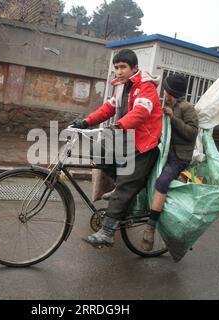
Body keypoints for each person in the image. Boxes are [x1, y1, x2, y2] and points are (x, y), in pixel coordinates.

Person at [71, 49, 163, 248]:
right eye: (116, 68)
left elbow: (141, 112)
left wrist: (119, 125)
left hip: (144, 145)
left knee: (126, 185)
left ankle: (107, 232)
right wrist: (86, 122)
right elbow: (108, 109)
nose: (119, 71)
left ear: (135, 68)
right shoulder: (121, 87)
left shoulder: (145, 87)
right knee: (99, 150)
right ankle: (119, 185)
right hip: (127, 140)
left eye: (123, 67)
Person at [141, 74, 199, 251]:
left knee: (162, 182)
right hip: (164, 153)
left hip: (179, 158)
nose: (163, 92)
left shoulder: (188, 108)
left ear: (170, 92)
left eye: (166, 89)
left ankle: (150, 228)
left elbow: (192, 133)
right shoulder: (168, 105)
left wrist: (173, 118)